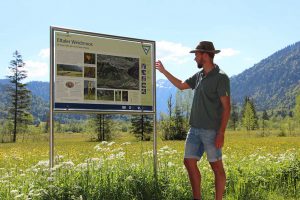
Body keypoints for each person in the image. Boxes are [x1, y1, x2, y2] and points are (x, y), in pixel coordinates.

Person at [156, 41, 231, 200]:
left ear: (205, 55)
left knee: (217, 168)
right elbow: (181, 85)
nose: (194, 58)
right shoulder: (199, 75)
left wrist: (221, 133)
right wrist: (164, 71)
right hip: (194, 129)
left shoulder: (221, 77)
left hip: (211, 131)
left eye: (196, 54)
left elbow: (226, 107)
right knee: (189, 162)